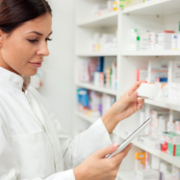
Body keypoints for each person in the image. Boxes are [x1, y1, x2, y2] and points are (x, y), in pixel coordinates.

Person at [0, 0, 145, 179]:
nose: (45, 50)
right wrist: (78, 177)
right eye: (33, 39)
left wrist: (114, 115)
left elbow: (65, 155)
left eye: (47, 39)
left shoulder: (31, 95)